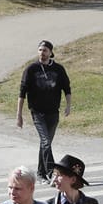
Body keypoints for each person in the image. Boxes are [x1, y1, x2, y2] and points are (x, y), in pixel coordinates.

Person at [17, 39, 72, 180]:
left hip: (53, 112)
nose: (42, 53)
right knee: (46, 142)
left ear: (51, 52)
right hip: (37, 113)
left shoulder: (58, 69)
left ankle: (41, 173)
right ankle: (51, 172)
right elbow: (22, 92)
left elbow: (66, 88)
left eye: (45, 50)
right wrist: (19, 115)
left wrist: (68, 105)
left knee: (45, 144)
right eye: (40, 50)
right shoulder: (31, 69)